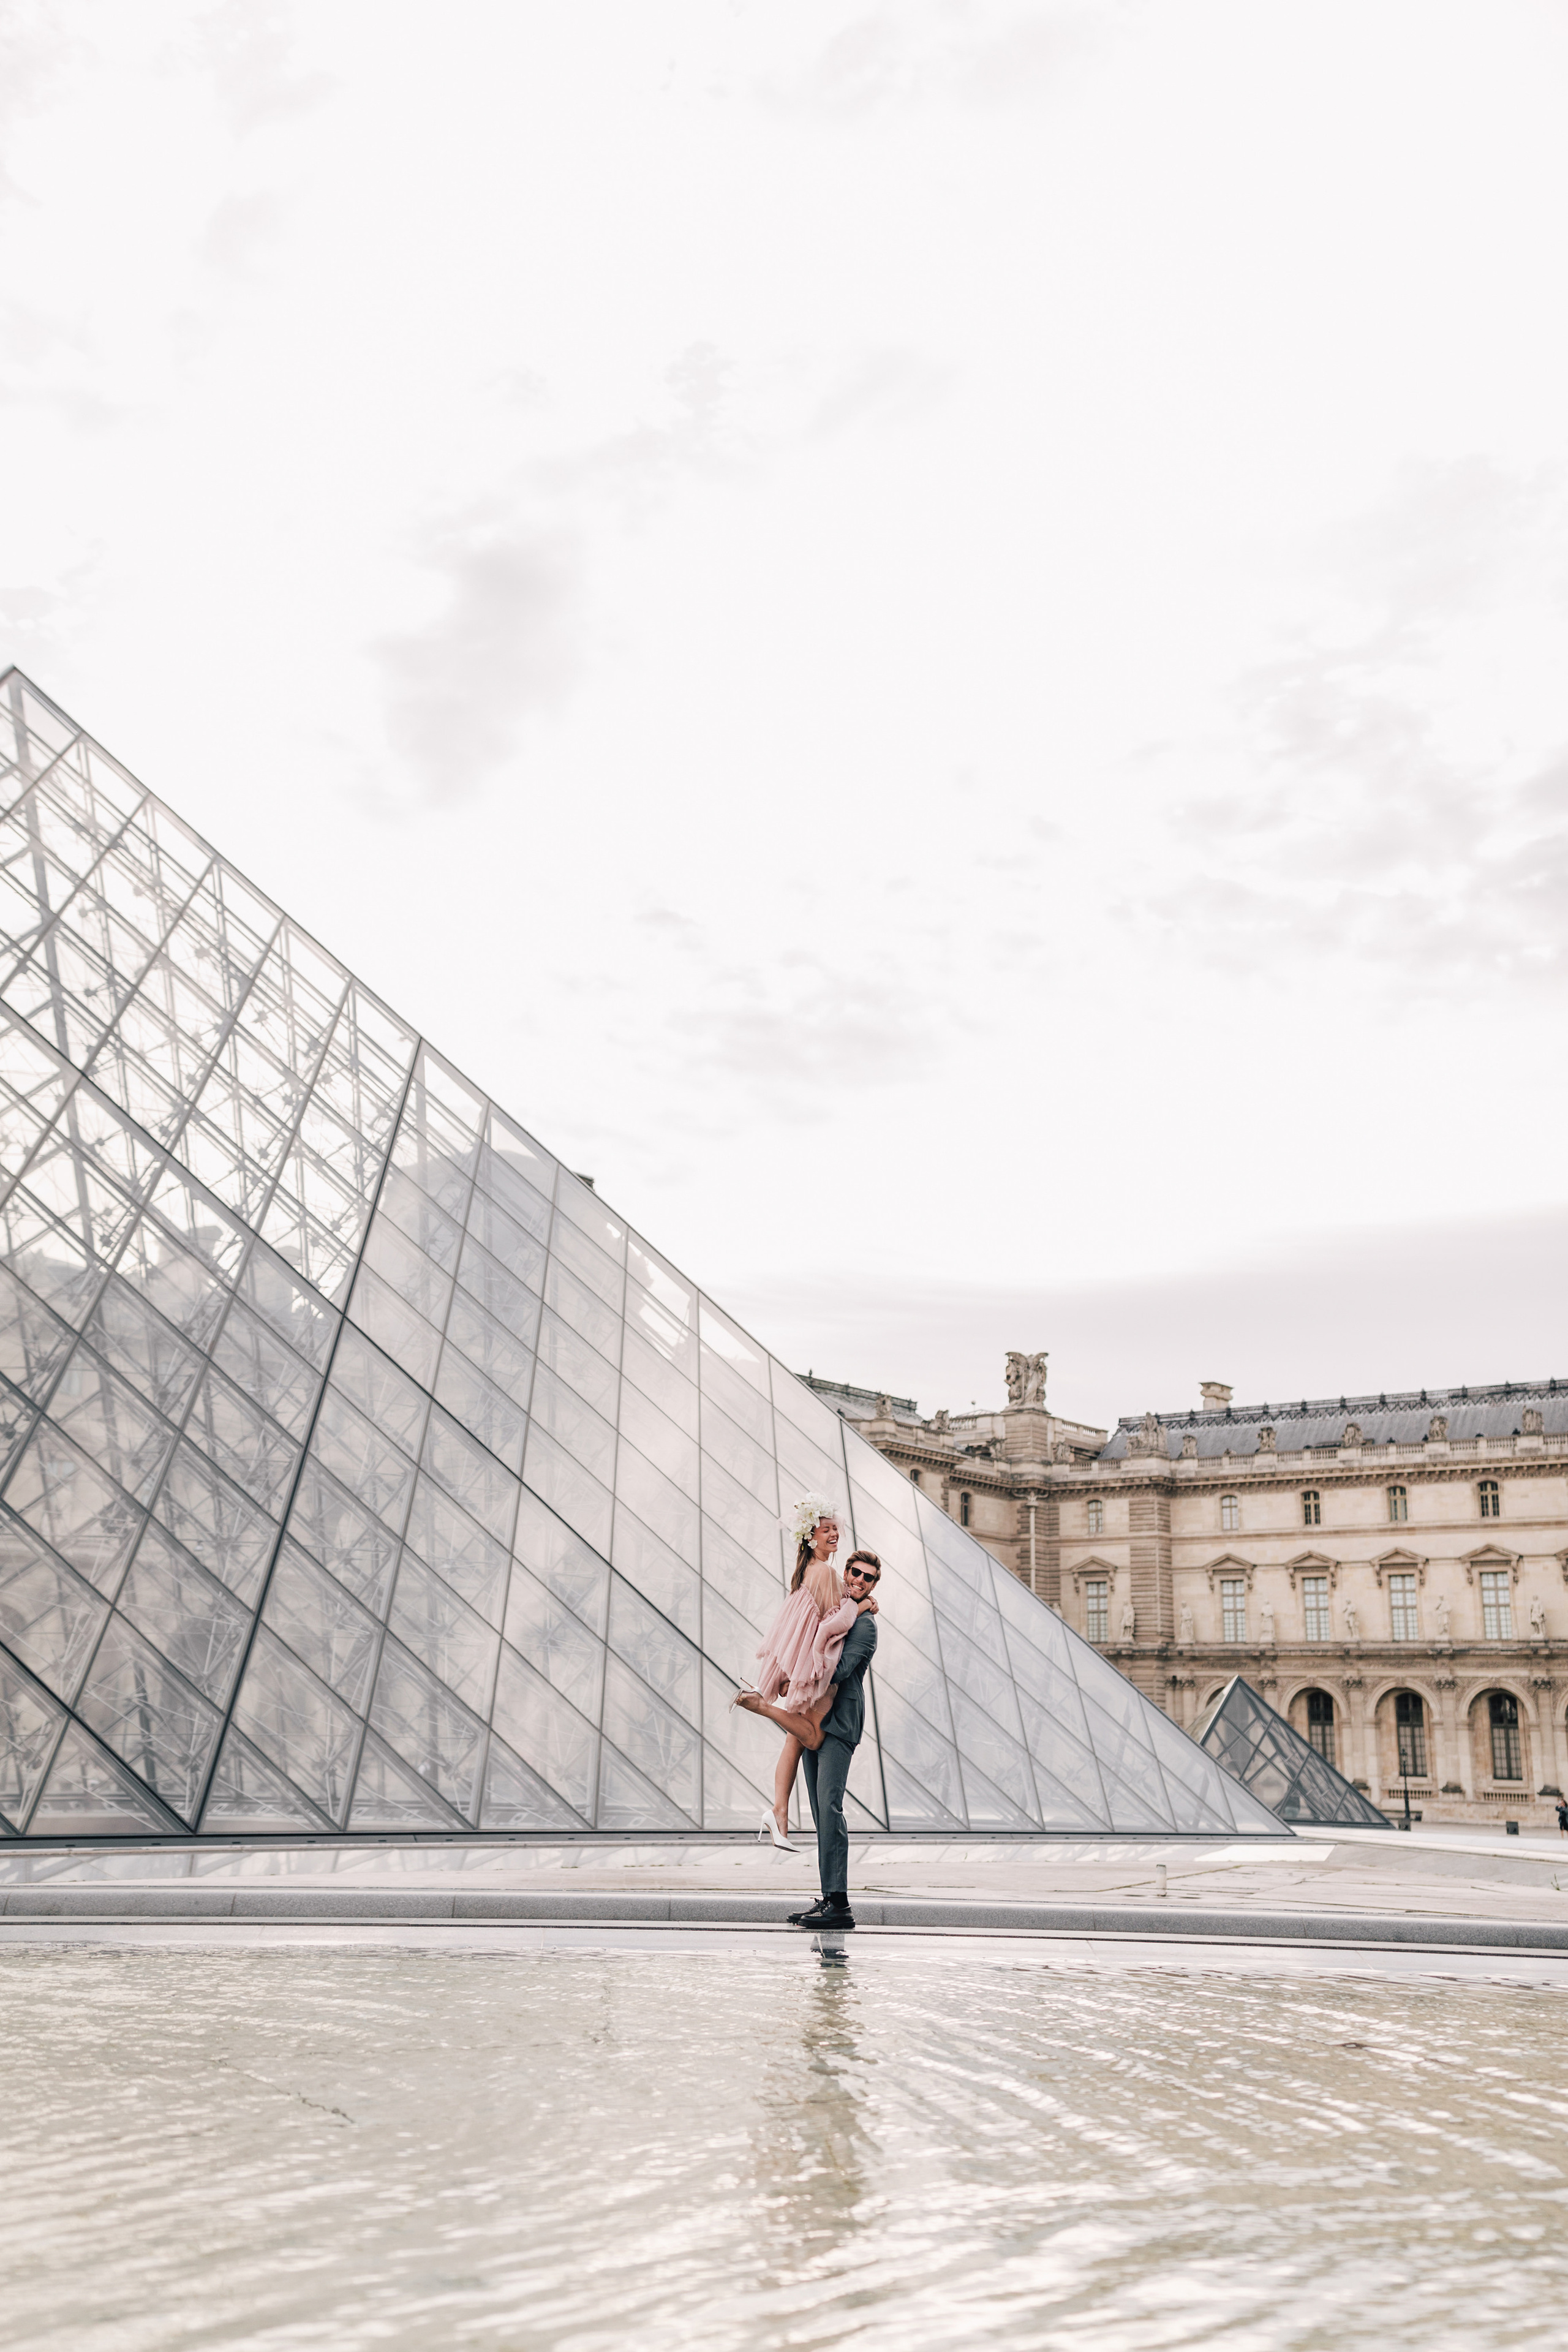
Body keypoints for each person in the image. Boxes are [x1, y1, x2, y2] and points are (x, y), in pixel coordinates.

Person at [739, 1548, 881, 1931]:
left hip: (838, 1724)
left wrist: (792, 1681)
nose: (858, 1580)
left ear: (873, 1584)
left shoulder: (864, 1626)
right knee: (821, 1813)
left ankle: (840, 1904)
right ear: (846, 1572)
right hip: (818, 1717)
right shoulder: (841, 1612)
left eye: (867, 1578)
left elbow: (840, 1670)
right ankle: (829, 1897)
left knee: (830, 1810)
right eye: (853, 1572)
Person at [738, 1497, 864, 1849]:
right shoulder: (823, 1572)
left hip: (800, 1661)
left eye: (836, 1528)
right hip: (814, 1667)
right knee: (812, 1737)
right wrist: (864, 1604)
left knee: (795, 1740)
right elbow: (833, 1624)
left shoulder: (810, 1569)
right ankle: (758, 1705)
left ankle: (779, 1814)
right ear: (812, 1537)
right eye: (827, 1530)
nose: (834, 1534)